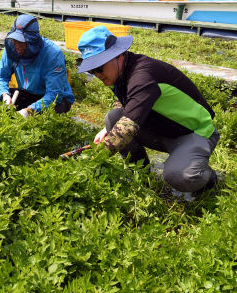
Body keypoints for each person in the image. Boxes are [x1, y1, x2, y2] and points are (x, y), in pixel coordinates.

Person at [76, 26, 219, 193]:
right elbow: (125, 101)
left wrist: (92, 160)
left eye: (99, 67)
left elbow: (127, 128)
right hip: (163, 130)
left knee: (180, 176)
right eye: (91, 70)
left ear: (118, 55)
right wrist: (107, 130)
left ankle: (208, 178)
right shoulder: (122, 71)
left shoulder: (142, 76)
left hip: (193, 134)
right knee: (113, 118)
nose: (97, 74)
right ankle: (140, 174)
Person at [0, 14, 75, 116]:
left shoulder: (53, 54)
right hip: (27, 93)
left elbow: (54, 94)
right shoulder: (12, 49)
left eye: (22, 41)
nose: (17, 45)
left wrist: (28, 111)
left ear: (33, 41)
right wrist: (5, 95)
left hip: (54, 97)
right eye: (14, 40)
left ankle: (29, 114)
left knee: (55, 111)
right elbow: (1, 75)